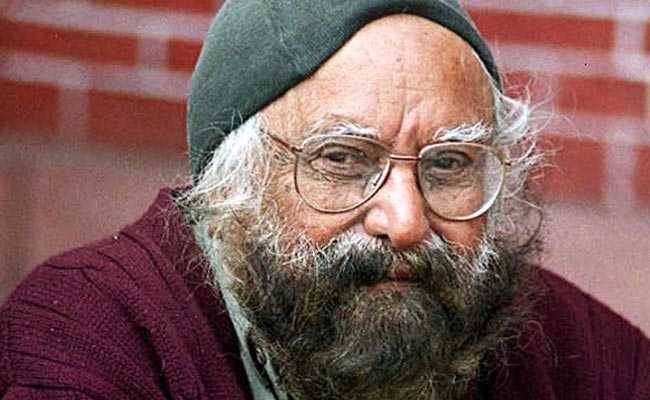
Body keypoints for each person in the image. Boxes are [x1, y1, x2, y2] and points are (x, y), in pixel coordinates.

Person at [1, 1, 648, 399]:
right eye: (341, 159)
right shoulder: (92, 337)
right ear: (231, 186)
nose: (405, 220)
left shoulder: (577, 352)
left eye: (449, 164)